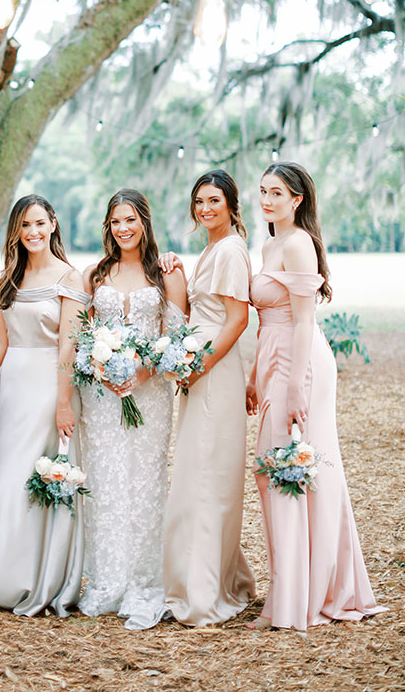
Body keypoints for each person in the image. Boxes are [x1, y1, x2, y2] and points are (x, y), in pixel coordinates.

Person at [247, 160, 385, 630]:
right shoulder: (268, 243)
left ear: (297, 199)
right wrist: (255, 375)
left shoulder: (298, 243)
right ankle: (293, 585)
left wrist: (292, 386)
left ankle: (302, 598)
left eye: (277, 193)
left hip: (300, 363)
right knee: (278, 471)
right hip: (271, 358)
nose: (267, 200)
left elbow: (304, 319)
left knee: (296, 470)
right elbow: (267, 316)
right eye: (263, 191)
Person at [0, 195, 89, 616]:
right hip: (14, 390)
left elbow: (68, 345)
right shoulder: (9, 276)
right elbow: (0, 341)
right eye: (25, 226)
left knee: (31, 476)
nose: (33, 232)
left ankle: (31, 577)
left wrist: (62, 403)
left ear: (53, 224)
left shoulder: (70, 278)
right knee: (5, 474)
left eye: (40, 223)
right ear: (16, 232)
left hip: (48, 388)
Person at [78, 188, 187, 630]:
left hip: (150, 392)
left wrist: (143, 372)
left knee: (145, 480)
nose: (123, 229)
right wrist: (100, 368)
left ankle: (145, 579)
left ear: (144, 221)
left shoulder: (167, 274)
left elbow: (177, 338)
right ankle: (107, 579)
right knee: (105, 480)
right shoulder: (95, 275)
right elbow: (82, 336)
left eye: (130, 220)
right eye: (115, 221)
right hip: (102, 396)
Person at [160, 170, 256, 625]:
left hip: (214, 373)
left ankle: (202, 591)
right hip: (201, 371)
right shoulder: (212, 249)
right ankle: (210, 577)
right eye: (199, 201)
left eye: (214, 201)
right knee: (200, 472)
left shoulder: (232, 249)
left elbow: (236, 320)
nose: (204, 209)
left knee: (205, 477)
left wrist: (199, 365)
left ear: (232, 206)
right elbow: (201, 308)